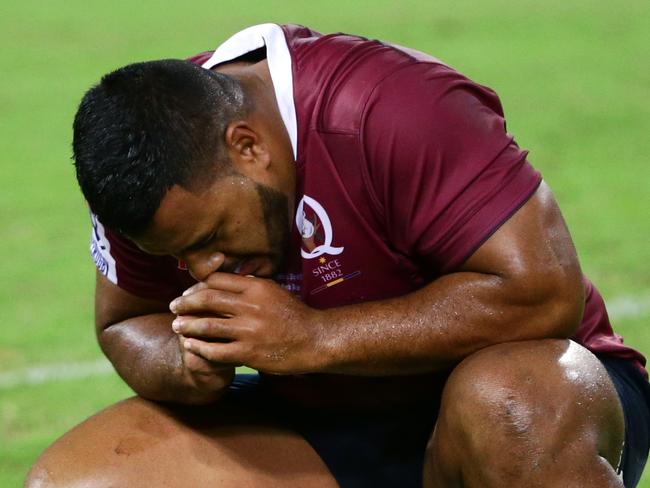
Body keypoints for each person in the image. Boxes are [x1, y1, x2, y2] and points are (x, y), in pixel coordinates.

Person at [27, 23, 650, 487]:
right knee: (78, 480)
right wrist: (182, 363)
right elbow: (125, 321)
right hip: (320, 423)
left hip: (539, 405)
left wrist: (316, 337)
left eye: (212, 236)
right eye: (180, 256)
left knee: (507, 404)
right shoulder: (142, 170)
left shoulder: (392, 110)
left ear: (247, 146)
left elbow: (543, 291)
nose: (202, 269)